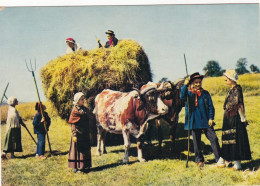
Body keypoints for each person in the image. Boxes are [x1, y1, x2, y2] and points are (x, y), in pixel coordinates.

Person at [180, 72, 222, 167]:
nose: (198, 84)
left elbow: (211, 107)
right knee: (196, 142)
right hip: (194, 121)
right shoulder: (188, 94)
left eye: (199, 82)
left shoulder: (205, 94)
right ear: (192, 83)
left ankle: (219, 158)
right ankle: (199, 159)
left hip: (206, 120)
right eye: (196, 82)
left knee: (214, 138)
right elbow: (182, 97)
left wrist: (211, 118)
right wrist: (185, 85)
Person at [216, 69, 251, 170]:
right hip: (228, 117)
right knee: (227, 139)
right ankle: (222, 160)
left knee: (235, 139)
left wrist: (243, 118)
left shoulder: (237, 90)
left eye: (226, 79)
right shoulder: (232, 90)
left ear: (231, 79)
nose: (225, 81)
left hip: (235, 118)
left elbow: (239, 105)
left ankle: (237, 164)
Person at [68, 92, 92, 173]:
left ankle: (86, 165)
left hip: (85, 133)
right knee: (77, 150)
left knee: (86, 149)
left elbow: (89, 118)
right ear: (77, 100)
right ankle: (76, 167)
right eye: (81, 99)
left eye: (83, 99)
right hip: (78, 133)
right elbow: (73, 123)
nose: (83, 100)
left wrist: (89, 132)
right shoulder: (75, 110)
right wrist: (74, 134)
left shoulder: (85, 109)